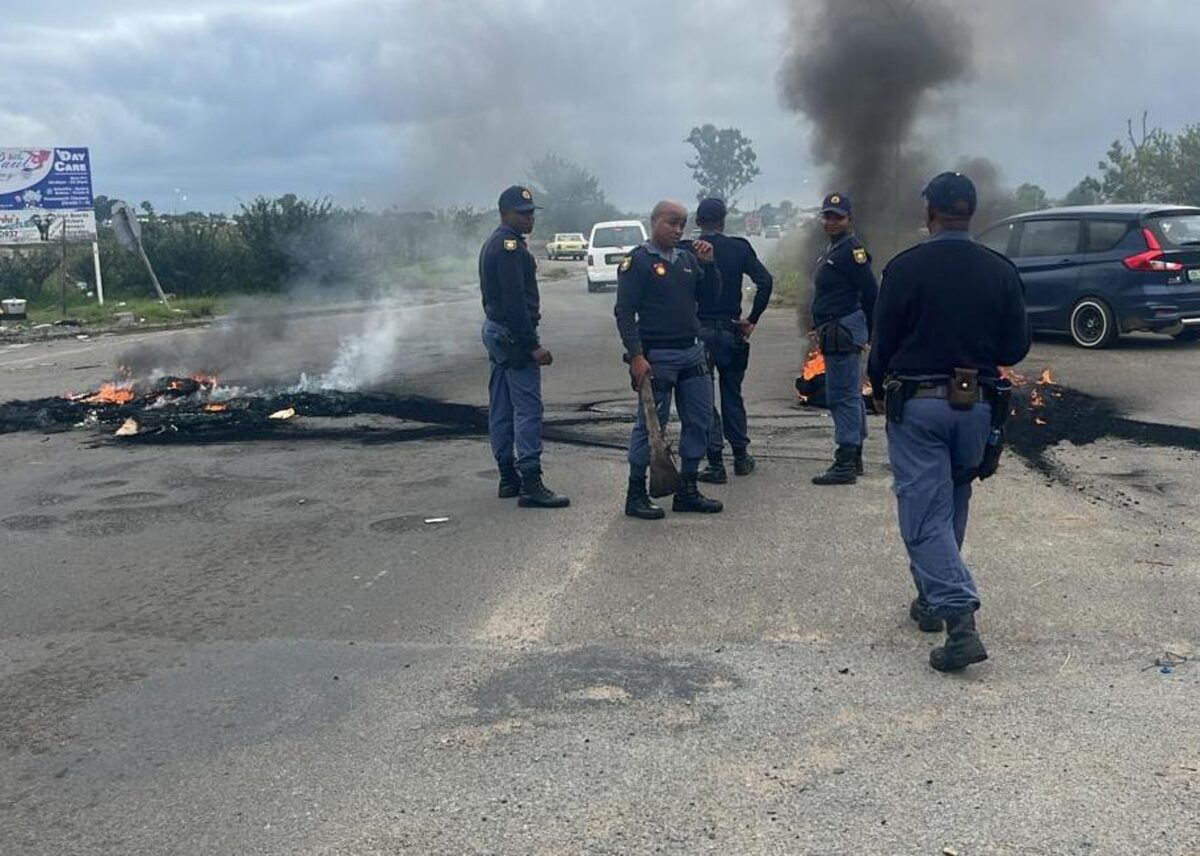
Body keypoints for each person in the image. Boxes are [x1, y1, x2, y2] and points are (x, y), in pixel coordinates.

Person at [868, 171, 1030, 672]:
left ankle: (959, 621)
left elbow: (883, 345)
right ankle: (930, 599)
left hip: (921, 408)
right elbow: (1014, 348)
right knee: (952, 499)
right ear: (971, 213)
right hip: (977, 408)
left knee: (921, 512)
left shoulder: (906, 267)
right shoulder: (1000, 269)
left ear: (930, 214)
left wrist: (876, 386)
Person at [615, 200, 724, 519]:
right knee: (650, 427)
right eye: (671, 223)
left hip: (692, 352)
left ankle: (687, 489)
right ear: (654, 222)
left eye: (682, 224)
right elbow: (624, 312)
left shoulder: (688, 259)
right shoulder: (637, 261)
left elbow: (711, 298)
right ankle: (636, 494)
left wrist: (710, 265)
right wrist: (636, 355)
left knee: (699, 421)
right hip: (657, 356)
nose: (678, 230)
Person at [478, 184, 569, 508]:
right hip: (512, 334)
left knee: (501, 405)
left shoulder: (495, 243)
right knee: (527, 408)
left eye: (531, 213)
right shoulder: (509, 248)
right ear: (505, 213)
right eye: (522, 213)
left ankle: (508, 477)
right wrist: (532, 345)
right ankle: (530, 481)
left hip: (497, 330)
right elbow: (515, 301)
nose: (529, 218)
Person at [685, 197, 774, 485]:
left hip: (697, 331)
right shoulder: (739, 247)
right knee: (732, 393)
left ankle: (714, 461)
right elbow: (765, 281)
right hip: (731, 330)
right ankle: (740, 456)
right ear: (723, 221)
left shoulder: (687, 250)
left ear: (697, 223)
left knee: (704, 398)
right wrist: (753, 319)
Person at [809, 192, 878, 486]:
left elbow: (871, 292)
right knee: (849, 393)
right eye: (827, 216)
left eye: (837, 217)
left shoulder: (852, 251)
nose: (831, 221)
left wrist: (872, 331)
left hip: (843, 329)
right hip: (835, 327)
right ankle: (855, 455)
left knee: (841, 395)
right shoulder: (834, 248)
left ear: (850, 219)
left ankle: (846, 460)